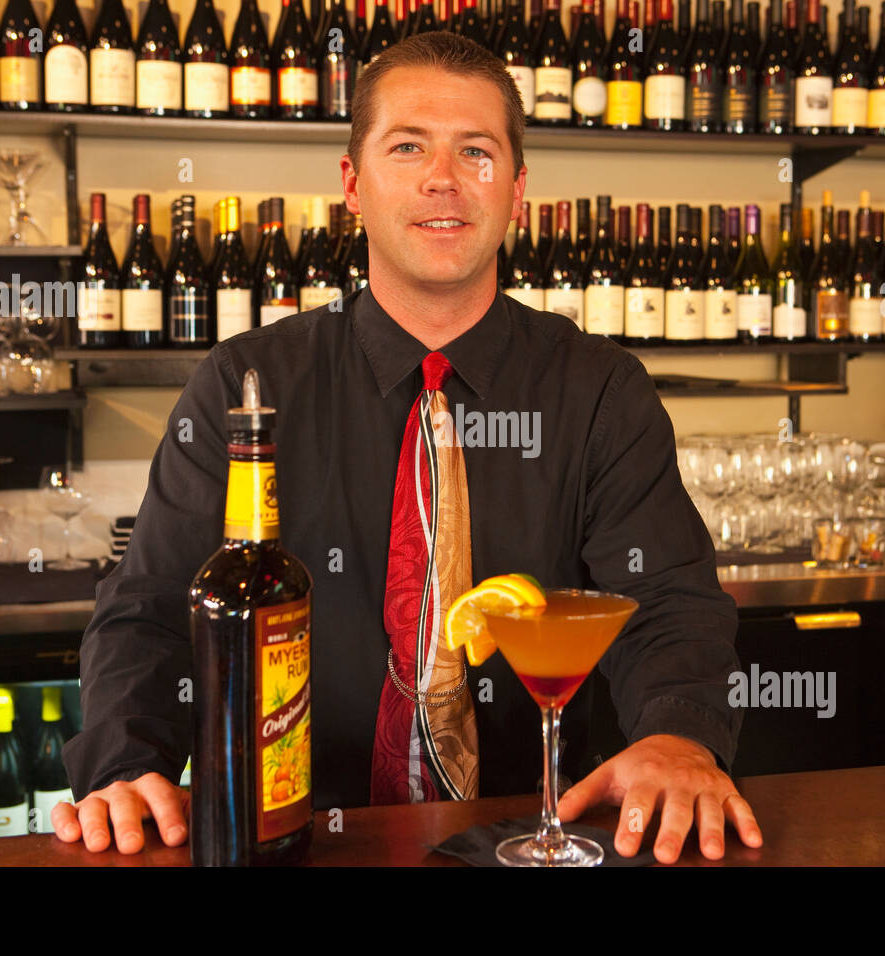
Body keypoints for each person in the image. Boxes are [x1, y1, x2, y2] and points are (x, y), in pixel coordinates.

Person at [54, 30, 762, 865]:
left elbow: (669, 606)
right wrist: (124, 767)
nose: (443, 180)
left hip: (543, 832)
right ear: (352, 185)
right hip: (302, 841)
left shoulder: (601, 388)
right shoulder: (245, 387)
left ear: (518, 190)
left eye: (477, 151)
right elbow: (151, 609)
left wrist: (680, 737)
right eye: (408, 147)